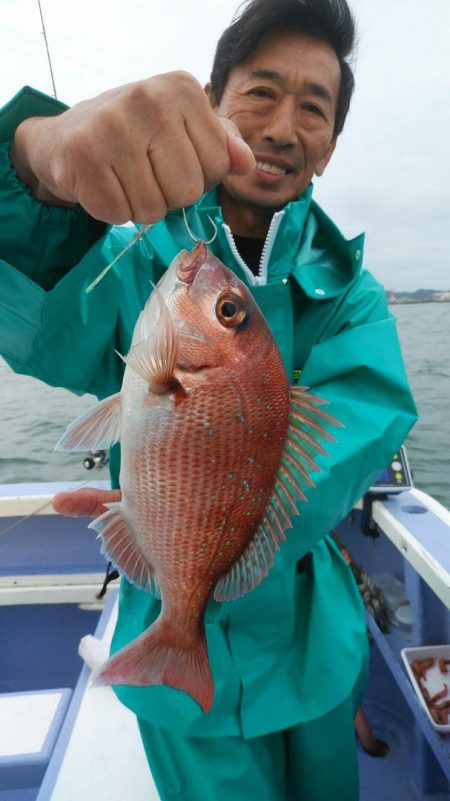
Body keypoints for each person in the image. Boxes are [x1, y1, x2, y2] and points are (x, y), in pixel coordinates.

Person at [0, 0, 417, 798]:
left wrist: (161, 505)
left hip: (315, 648)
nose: (284, 126)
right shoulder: (132, 261)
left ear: (329, 148)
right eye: (260, 92)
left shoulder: (351, 295)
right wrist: (33, 161)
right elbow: (33, 318)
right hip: (176, 671)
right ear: (214, 103)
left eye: (314, 107)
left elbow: (342, 448)